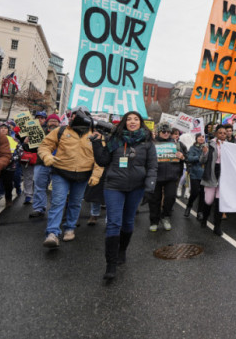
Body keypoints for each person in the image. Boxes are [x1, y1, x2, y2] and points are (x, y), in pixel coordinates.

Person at [91, 111, 157, 280]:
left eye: (136, 119)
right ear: (124, 122)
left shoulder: (147, 142)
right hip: (114, 186)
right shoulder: (115, 139)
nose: (132, 121)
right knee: (114, 223)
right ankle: (110, 264)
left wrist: (150, 186)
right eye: (129, 119)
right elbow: (102, 161)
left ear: (140, 123)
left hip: (136, 188)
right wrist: (97, 143)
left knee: (128, 223)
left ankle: (122, 251)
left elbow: (152, 166)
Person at [38, 107, 103, 248]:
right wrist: (47, 156)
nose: (76, 117)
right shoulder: (60, 131)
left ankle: (70, 228)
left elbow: (100, 158)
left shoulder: (95, 135)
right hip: (61, 172)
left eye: (80, 115)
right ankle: (52, 233)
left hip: (83, 174)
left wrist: (96, 175)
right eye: (73, 115)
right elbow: (44, 146)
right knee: (58, 202)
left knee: (75, 203)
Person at [150, 123, 185, 232]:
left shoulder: (177, 144)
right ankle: (154, 221)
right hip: (156, 176)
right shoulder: (152, 144)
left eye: (168, 132)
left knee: (170, 197)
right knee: (155, 200)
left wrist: (182, 157)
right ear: (159, 132)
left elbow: (186, 158)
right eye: (163, 132)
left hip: (171, 176)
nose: (166, 134)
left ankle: (165, 217)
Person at [26, 114, 60, 218]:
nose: (53, 123)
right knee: (39, 186)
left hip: (59, 165)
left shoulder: (64, 133)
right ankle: (39, 208)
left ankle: (55, 210)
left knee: (58, 189)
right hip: (41, 163)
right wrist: (26, 143)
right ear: (47, 122)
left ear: (59, 123)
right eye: (51, 121)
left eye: (55, 121)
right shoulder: (39, 132)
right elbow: (31, 150)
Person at [199, 125, 227, 236]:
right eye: (220, 133)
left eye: (224, 133)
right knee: (209, 201)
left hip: (224, 175)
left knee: (219, 201)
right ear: (216, 134)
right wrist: (205, 152)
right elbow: (202, 160)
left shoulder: (229, 146)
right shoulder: (209, 145)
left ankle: (217, 226)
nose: (223, 135)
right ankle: (204, 219)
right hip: (211, 174)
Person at [0, 122, 23, 207]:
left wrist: (11, 159)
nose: (3, 129)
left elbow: (20, 152)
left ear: (8, 130)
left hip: (10, 165)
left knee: (8, 183)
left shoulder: (14, 140)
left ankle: (8, 198)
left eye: (5, 128)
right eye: (1, 128)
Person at [185, 133, 207, 218]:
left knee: (203, 193)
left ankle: (200, 212)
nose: (201, 138)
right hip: (195, 173)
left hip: (204, 174)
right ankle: (189, 205)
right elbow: (189, 158)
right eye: (199, 137)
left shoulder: (206, 147)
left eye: (203, 137)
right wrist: (200, 156)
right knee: (195, 192)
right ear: (196, 138)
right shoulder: (193, 148)